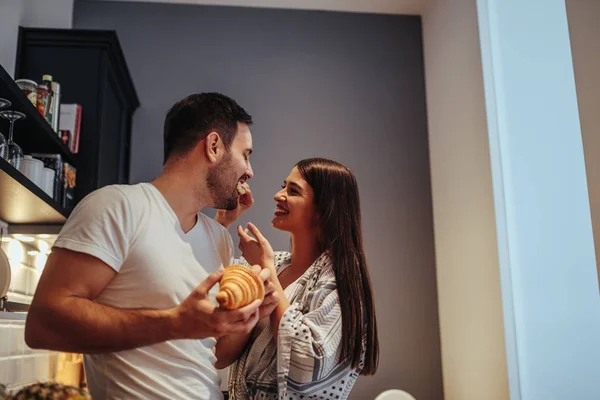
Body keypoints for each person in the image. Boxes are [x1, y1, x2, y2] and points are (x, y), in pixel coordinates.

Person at [25, 92, 278, 400]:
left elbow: (215, 356)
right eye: (246, 154)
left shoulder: (219, 239)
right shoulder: (116, 206)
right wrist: (174, 323)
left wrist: (245, 320)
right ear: (213, 146)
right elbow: (44, 323)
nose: (249, 171)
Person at [217, 158, 380, 399]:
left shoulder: (339, 285)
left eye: (292, 191)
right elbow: (220, 353)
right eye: (283, 186)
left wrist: (266, 269)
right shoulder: (273, 265)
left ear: (323, 209)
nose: (277, 195)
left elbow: (305, 364)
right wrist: (224, 221)